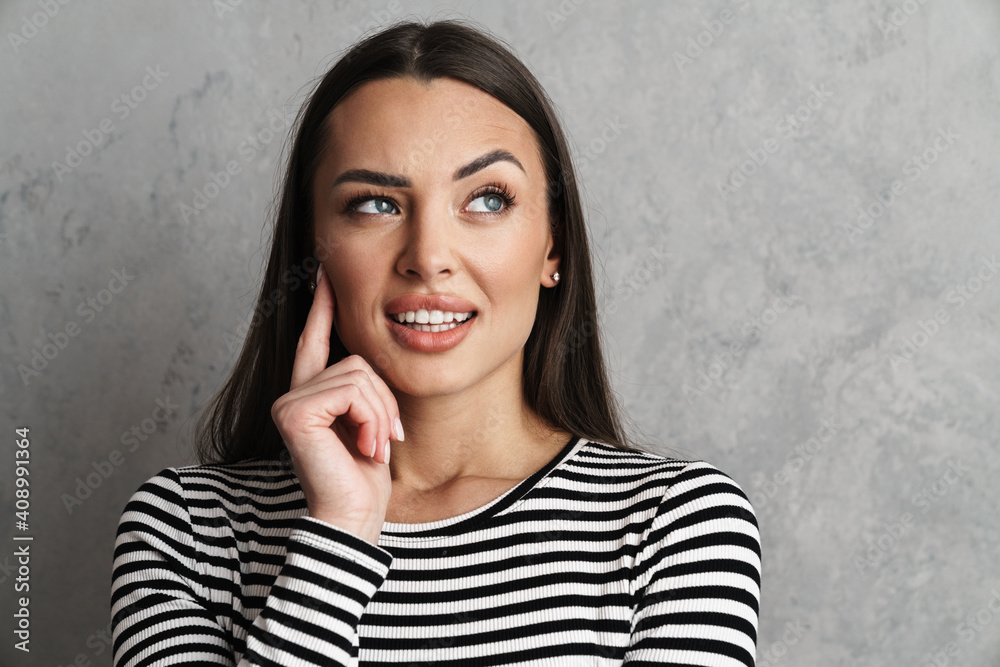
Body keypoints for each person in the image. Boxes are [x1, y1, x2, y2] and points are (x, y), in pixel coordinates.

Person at [110, 18, 761, 667]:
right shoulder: (187, 531)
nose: (428, 256)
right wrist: (338, 531)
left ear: (553, 244)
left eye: (486, 199)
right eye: (375, 204)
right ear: (314, 247)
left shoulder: (678, 528)